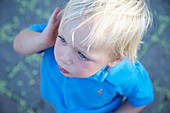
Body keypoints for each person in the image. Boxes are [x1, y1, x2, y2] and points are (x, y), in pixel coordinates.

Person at [13, 0, 154, 113]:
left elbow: (140, 100)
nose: (64, 57)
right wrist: (42, 40)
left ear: (114, 59)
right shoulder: (53, 35)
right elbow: (18, 45)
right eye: (62, 39)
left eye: (82, 55)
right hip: (54, 98)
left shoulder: (129, 75)